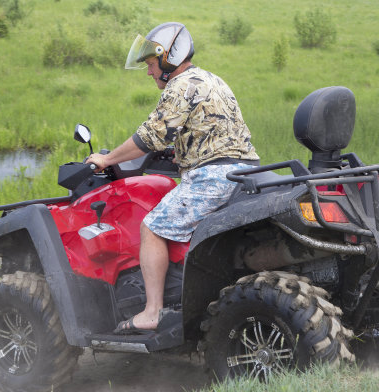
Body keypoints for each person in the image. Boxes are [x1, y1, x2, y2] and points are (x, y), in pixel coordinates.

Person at [86, 22, 259, 333]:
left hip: (212, 178)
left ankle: (152, 311)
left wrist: (107, 159)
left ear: (168, 59)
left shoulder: (180, 86)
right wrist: (181, 154)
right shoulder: (212, 80)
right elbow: (211, 132)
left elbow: (150, 136)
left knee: (151, 227)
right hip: (244, 172)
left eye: (151, 64)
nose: (150, 72)